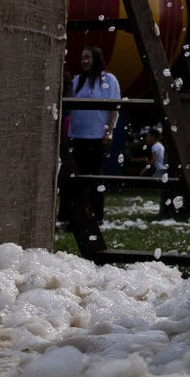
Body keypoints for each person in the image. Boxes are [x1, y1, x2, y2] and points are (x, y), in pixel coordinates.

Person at [62, 46, 123, 251]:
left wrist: (109, 131)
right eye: (82, 57)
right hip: (76, 135)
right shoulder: (79, 81)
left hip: (97, 137)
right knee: (75, 177)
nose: (84, 61)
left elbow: (114, 107)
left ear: (96, 59)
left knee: (94, 176)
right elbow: (69, 104)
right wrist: (68, 84)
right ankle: (73, 217)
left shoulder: (109, 80)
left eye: (87, 57)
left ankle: (96, 215)